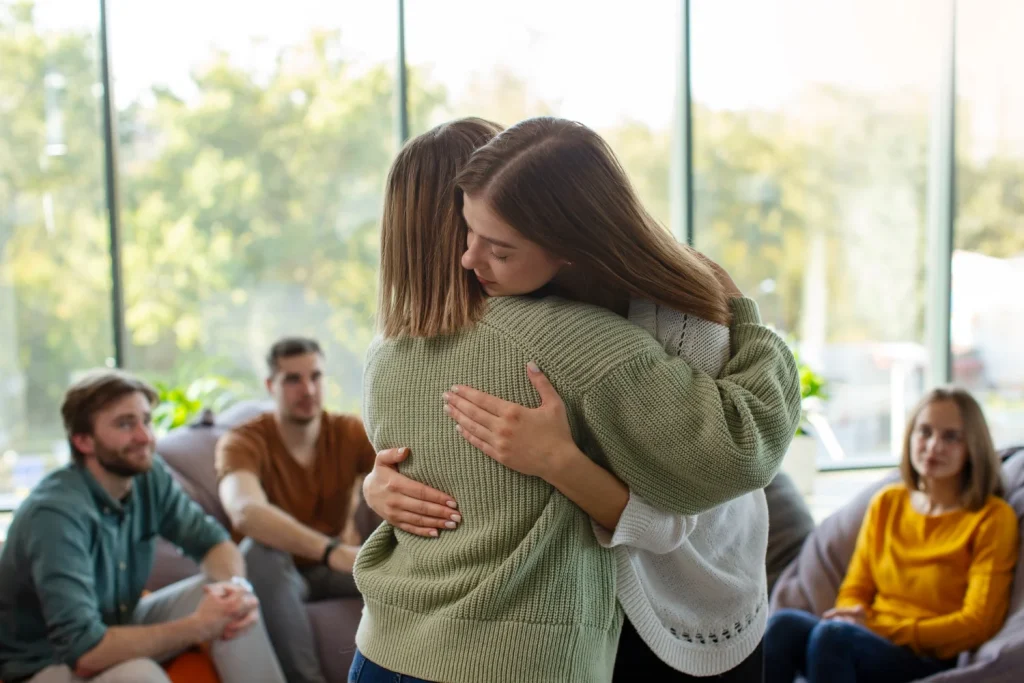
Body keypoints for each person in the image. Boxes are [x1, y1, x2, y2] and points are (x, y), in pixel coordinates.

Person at [349, 117, 801, 683]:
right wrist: (379, 482)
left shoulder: (639, 326)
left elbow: (693, 501)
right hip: (574, 622)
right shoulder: (441, 340)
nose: (470, 257)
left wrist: (559, 463)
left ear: (559, 236)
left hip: (687, 602)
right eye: (470, 230)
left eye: (497, 242)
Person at [0, 370, 285, 683]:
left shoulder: (147, 477)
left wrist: (236, 592)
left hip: (118, 622)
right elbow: (84, 651)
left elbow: (213, 542)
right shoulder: (55, 515)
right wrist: (200, 626)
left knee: (230, 601)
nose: (145, 436)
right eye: (125, 424)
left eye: (146, 421)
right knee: (141, 675)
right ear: (82, 440)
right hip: (44, 663)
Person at [764, 387, 1020, 683]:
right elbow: (854, 588)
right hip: (866, 638)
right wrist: (852, 616)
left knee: (833, 637)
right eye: (924, 432)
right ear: (910, 436)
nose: (933, 446)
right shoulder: (888, 503)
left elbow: (978, 623)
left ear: (972, 447)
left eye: (950, 437)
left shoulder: (992, 517)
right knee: (784, 625)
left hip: (930, 656)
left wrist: (878, 628)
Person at [215, 337, 376, 683]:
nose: (308, 389)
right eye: (293, 379)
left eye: (315, 376)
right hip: (276, 571)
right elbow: (244, 511)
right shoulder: (243, 441)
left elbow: (405, 471)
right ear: (270, 385)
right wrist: (330, 550)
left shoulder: (347, 432)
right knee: (258, 552)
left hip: (336, 566)